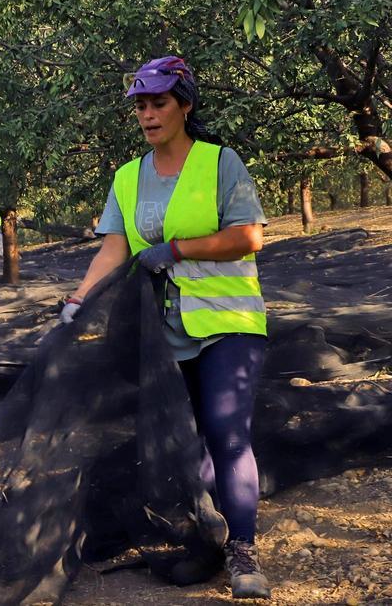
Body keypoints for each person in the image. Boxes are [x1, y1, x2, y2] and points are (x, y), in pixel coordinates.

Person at [63, 57, 271, 599]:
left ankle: (243, 551)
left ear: (185, 105)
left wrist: (175, 249)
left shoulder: (220, 163)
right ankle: (212, 531)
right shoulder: (128, 178)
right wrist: (80, 298)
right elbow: (114, 247)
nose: (148, 115)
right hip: (164, 335)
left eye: (159, 103)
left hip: (228, 323)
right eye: (141, 106)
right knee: (189, 442)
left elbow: (249, 237)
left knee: (228, 434)